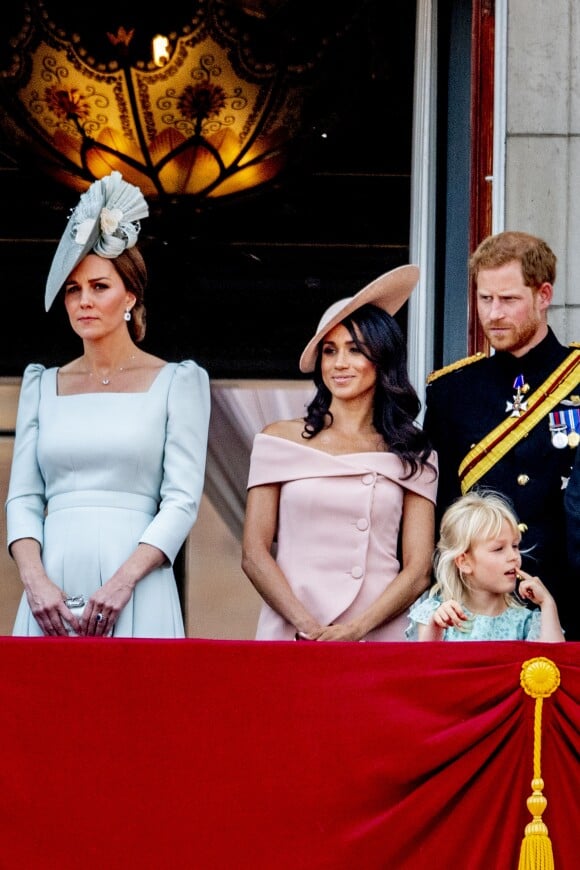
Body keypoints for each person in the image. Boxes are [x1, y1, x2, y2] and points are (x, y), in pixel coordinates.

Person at [5, 171, 211, 637]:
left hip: (138, 580)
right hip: (51, 585)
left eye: (99, 286)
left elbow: (180, 500)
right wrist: (36, 582)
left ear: (130, 296)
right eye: (73, 289)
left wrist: (123, 581)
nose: (83, 301)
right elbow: (22, 498)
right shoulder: (41, 383)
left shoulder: (178, 381)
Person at [241, 265, 438, 641]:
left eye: (354, 350)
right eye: (330, 351)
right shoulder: (279, 439)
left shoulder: (413, 450)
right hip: (291, 630)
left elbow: (418, 570)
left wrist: (356, 629)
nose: (340, 364)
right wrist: (308, 627)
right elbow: (254, 553)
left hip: (378, 632)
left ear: (381, 359)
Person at [423, 230, 580, 640]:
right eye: (484, 299)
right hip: (481, 614)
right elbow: (441, 511)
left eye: (508, 300)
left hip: (570, 601)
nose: (493, 314)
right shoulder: (450, 392)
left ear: (543, 296)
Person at [406, 489, 565, 642]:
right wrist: (435, 630)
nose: (513, 556)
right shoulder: (438, 614)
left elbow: (554, 664)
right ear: (464, 562)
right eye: (498, 549)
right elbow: (424, 666)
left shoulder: (527, 623)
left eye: (515, 546)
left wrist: (547, 604)